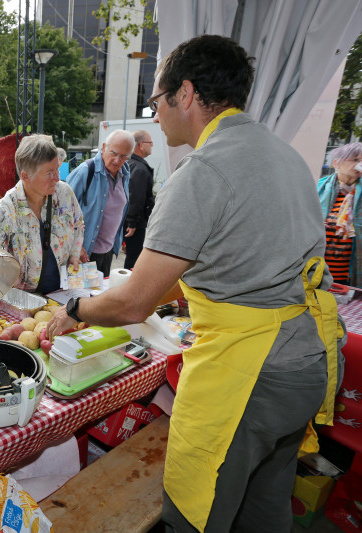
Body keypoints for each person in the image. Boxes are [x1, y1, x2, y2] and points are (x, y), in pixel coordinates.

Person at [46, 35, 340, 533]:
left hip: (250, 372)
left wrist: (76, 309)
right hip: (305, 361)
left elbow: (135, 302)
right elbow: (239, 259)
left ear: (185, 94)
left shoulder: (203, 169)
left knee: (195, 508)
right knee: (265, 508)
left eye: (156, 101)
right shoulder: (284, 155)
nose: (155, 115)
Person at [0, 135, 84, 293]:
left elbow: (78, 225)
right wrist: (5, 273)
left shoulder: (64, 192)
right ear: (25, 176)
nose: (57, 178)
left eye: (57, 169)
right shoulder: (7, 207)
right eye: (50, 172)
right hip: (26, 300)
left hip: (63, 291)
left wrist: (74, 255)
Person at [66, 129, 134, 275]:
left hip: (108, 251)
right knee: (83, 296)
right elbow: (61, 211)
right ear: (103, 147)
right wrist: (75, 246)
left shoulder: (125, 173)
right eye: (113, 153)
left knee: (99, 293)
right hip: (84, 253)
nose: (117, 161)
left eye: (123, 157)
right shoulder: (85, 171)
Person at [317, 142, 362, 285]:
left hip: (350, 275)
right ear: (336, 163)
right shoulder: (318, 189)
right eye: (355, 159)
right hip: (317, 272)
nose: (359, 164)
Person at [123, 129, 156, 269]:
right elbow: (135, 197)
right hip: (135, 223)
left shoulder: (129, 163)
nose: (152, 145)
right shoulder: (140, 169)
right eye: (150, 142)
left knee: (131, 254)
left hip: (128, 220)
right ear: (141, 145)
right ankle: (127, 286)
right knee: (134, 257)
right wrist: (132, 223)